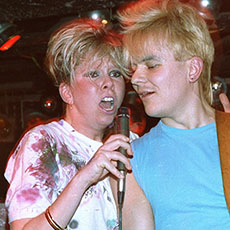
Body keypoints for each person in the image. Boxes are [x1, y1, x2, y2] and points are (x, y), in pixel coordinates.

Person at [4, 18, 136, 230]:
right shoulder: (44, 143)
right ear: (67, 92)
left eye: (115, 73)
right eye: (94, 74)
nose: (108, 83)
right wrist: (84, 178)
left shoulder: (132, 144)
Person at [117, 0, 230, 229]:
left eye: (151, 65)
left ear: (193, 69)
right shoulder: (131, 158)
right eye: (133, 69)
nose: (136, 79)